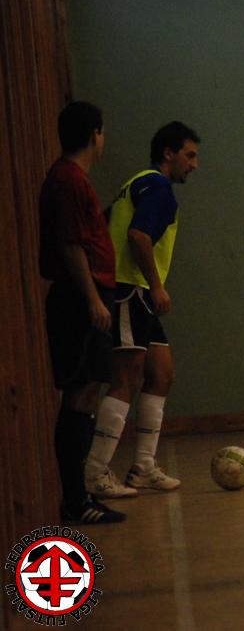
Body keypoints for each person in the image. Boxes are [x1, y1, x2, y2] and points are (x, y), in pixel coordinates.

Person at [84, 121, 200, 498]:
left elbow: (105, 224)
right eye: (189, 155)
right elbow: (138, 235)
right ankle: (95, 472)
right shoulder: (158, 186)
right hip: (131, 289)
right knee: (126, 379)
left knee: (162, 375)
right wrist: (156, 285)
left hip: (138, 294)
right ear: (168, 153)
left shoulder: (136, 183)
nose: (194, 164)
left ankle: (143, 468)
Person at [39, 101, 125, 524]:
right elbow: (72, 245)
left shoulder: (72, 180)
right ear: (95, 134)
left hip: (86, 296)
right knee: (79, 395)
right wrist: (92, 298)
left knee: (88, 393)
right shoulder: (69, 180)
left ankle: (81, 495)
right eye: (103, 132)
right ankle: (76, 500)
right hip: (79, 300)